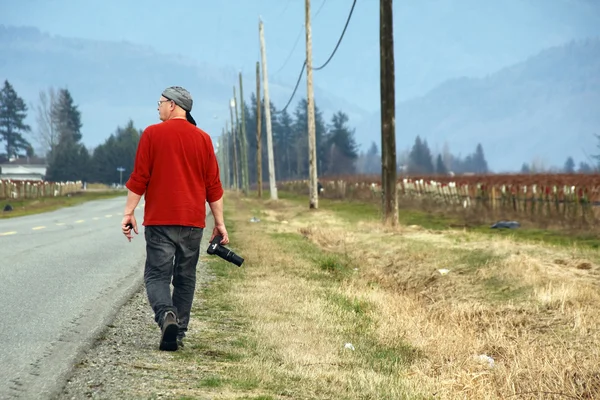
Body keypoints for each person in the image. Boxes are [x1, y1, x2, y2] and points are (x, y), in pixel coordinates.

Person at [121, 86, 229, 352]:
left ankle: (166, 315)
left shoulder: (152, 134)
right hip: (193, 222)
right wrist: (220, 223)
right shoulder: (203, 139)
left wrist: (129, 212)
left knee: (157, 275)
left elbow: (140, 178)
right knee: (185, 277)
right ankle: (178, 332)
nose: (157, 107)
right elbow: (213, 186)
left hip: (160, 221)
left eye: (159, 103)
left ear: (172, 105)